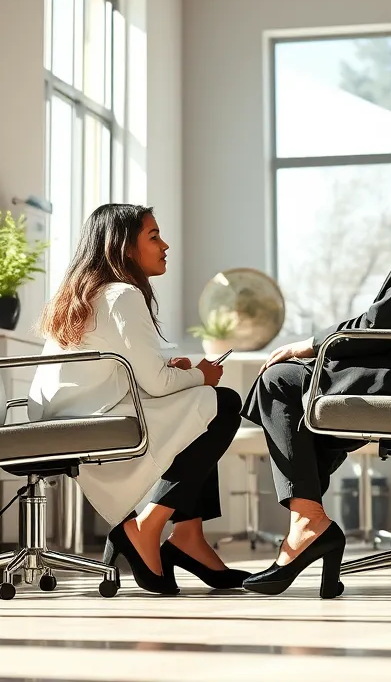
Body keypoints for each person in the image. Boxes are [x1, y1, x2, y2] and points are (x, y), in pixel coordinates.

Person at [241, 223, 391, 597]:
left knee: (280, 381)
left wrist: (309, 344)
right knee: (296, 391)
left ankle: (308, 523)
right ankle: (307, 523)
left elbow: (383, 321)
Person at [28, 203, 248, 595]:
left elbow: (132, 375)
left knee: (201, 404)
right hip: (94, 422)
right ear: (126, 246)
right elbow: (159, 385)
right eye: (153, 236)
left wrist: (184, 375)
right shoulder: (122, 295)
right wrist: (202, 374)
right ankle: (147, 528)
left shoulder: (89, 293)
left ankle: (189, 537)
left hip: (72, 415)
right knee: (222, 402)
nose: (165, 245)